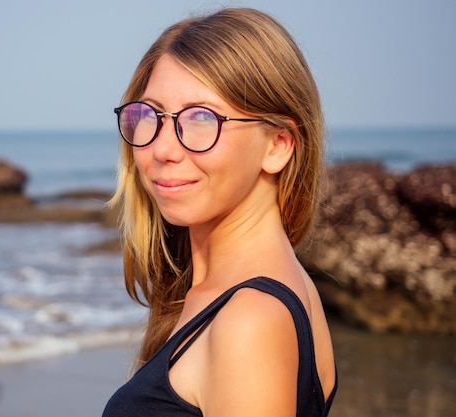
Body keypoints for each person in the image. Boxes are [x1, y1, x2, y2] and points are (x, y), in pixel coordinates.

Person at [103, 7, 337, 417]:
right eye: (151, 115)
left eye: (201, 117)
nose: (161, 149)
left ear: (277, 144)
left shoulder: (248, 321)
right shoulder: (241, 293)